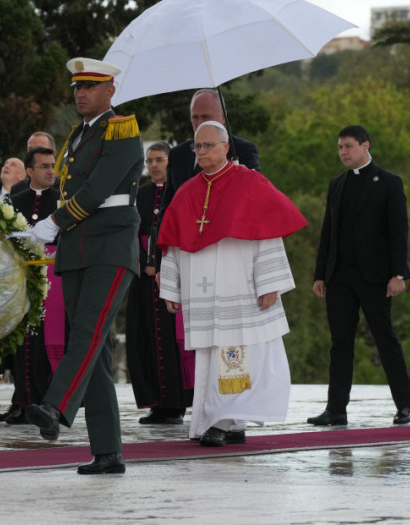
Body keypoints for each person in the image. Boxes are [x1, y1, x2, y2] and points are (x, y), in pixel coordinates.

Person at [24, 57, 143, 475]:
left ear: (110, 90)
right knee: (94, 348)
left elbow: (96, 190)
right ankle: (108, 451)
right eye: (77, 87)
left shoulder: (123, 129)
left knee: (87, 335)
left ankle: (55, 408)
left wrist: (54, 222)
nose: (81, 93)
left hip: (110, 248)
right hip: (77, 250)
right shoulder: (77, 136)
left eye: (90, 86)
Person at [158, 121, 306, 446]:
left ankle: (222, 420)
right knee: (213, 354)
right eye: (197, 146)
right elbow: (172, 243)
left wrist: (270, 283)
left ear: (226, 147)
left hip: (238, 283)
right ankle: (231, 421)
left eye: (208, 145)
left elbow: (267, 235)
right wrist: (171, 287)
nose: (201, 152)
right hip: (201, 290)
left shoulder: (249, 183)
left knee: (232, 351)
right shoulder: (186, 191)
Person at [308, 125, 410, 426]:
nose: (343, 152)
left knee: (385, 339)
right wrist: (320, 274)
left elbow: (399, 232)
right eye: (340, 147)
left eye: (349, 146)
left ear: (366, 146)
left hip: (376, 278)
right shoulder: (336, 184)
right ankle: (336, 410)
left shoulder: (389, 182)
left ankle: (405, 405)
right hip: (339, 277)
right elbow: (327, 232)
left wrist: (398, 274)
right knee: (340, 343)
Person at [149, 89, 261, 274]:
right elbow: (166, 213)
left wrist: (240, 174)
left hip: (229, 255)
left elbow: (257, 203)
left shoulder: (242, 151)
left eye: (206, 117)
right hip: (185, 256)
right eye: (195, 117)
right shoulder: (178, 155)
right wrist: (160, 266)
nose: (200, 123)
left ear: (224, 117)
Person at [126, 141, 193, 424]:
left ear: (170, 162)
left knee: (172, 341)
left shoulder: (180, 192)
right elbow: (130, 233)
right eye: (150, 160)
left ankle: (177, 403)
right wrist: (144, 264)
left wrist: (163, 265)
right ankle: (158, 402)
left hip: (174, 278)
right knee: (146, 339)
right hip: (143, 279)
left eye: (160, 160)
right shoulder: (139, 195)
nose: (154, 165)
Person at [0, 146, 62, 424]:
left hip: (55, 278)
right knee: (24, 341)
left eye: (53, 166)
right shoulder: (15, 200)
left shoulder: (62, 200)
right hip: (24, 278)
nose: (51, 171)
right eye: (45, 166)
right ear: (30, 171)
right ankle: (23, 401)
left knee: (51, 340)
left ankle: (51, 402)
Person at [10, 132, 57, 196]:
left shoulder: (64, 189)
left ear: (53, 154)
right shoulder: (17, 189)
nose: (34, 154)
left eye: (40, 150)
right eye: (30, 150)